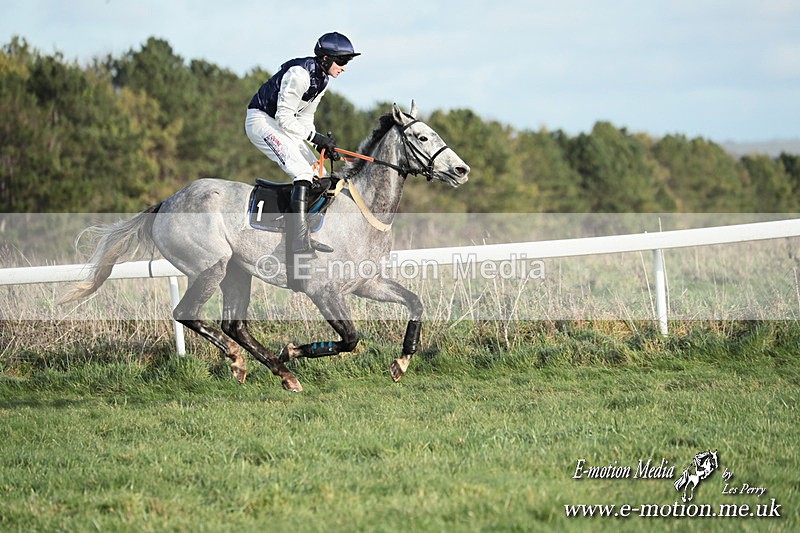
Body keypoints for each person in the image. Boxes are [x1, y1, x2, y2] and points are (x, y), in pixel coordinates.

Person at [245, 32, 360, 256]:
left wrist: (319, 143)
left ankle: (307, 230)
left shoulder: (323, 80)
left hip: (282, 124)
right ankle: (297, 242)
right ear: (326, 58)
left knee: (321, 174)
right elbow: (284, 118)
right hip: (261, 121)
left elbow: (305, 119)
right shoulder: (299, 74)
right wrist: (315, 137)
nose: (345, 67)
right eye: (343, 61)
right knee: (302, 173)